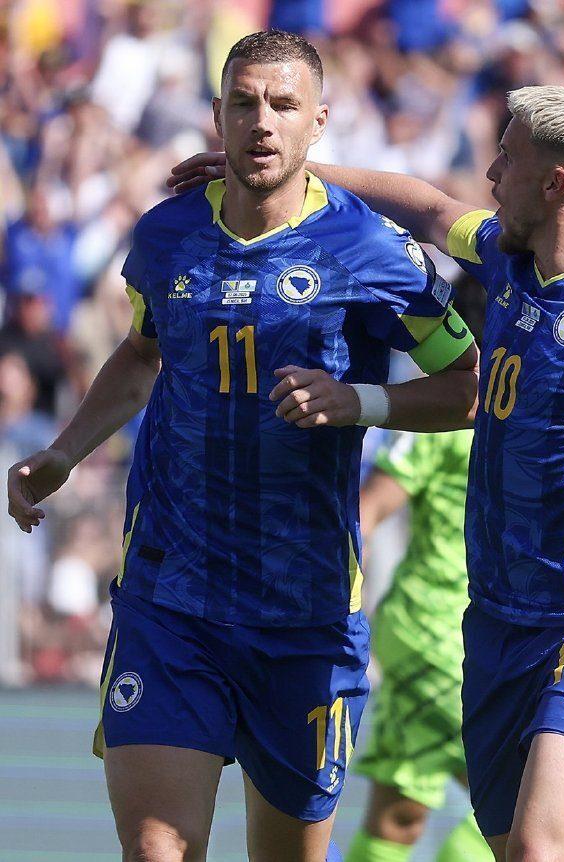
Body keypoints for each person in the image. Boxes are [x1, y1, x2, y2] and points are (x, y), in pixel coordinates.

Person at [170, 84, 564, 861]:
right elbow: (427, 207)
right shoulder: (509, 259)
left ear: (558, 184)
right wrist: (298, 175)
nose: (490, 174)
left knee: (539, 850)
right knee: (510, 847)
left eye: (507, 159)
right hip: (498, 623)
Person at [7, 30, 478, 862]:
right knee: (157, 849)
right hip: (170, 598)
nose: (262, 122)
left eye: (284, 105)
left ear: (319, 121)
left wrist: (359, 402)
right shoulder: (165, 235)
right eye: (244, 102)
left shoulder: (371, 251)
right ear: (217, 116)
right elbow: (144, 353)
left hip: (304, 614)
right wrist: (65, 452)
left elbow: (468, 387)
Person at [346, 428, 493, 862]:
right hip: (436, 637)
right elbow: (368, 510)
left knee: (399, 813)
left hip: (483, 636)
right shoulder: (450, 413)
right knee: (529, 796)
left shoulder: (553, 410)